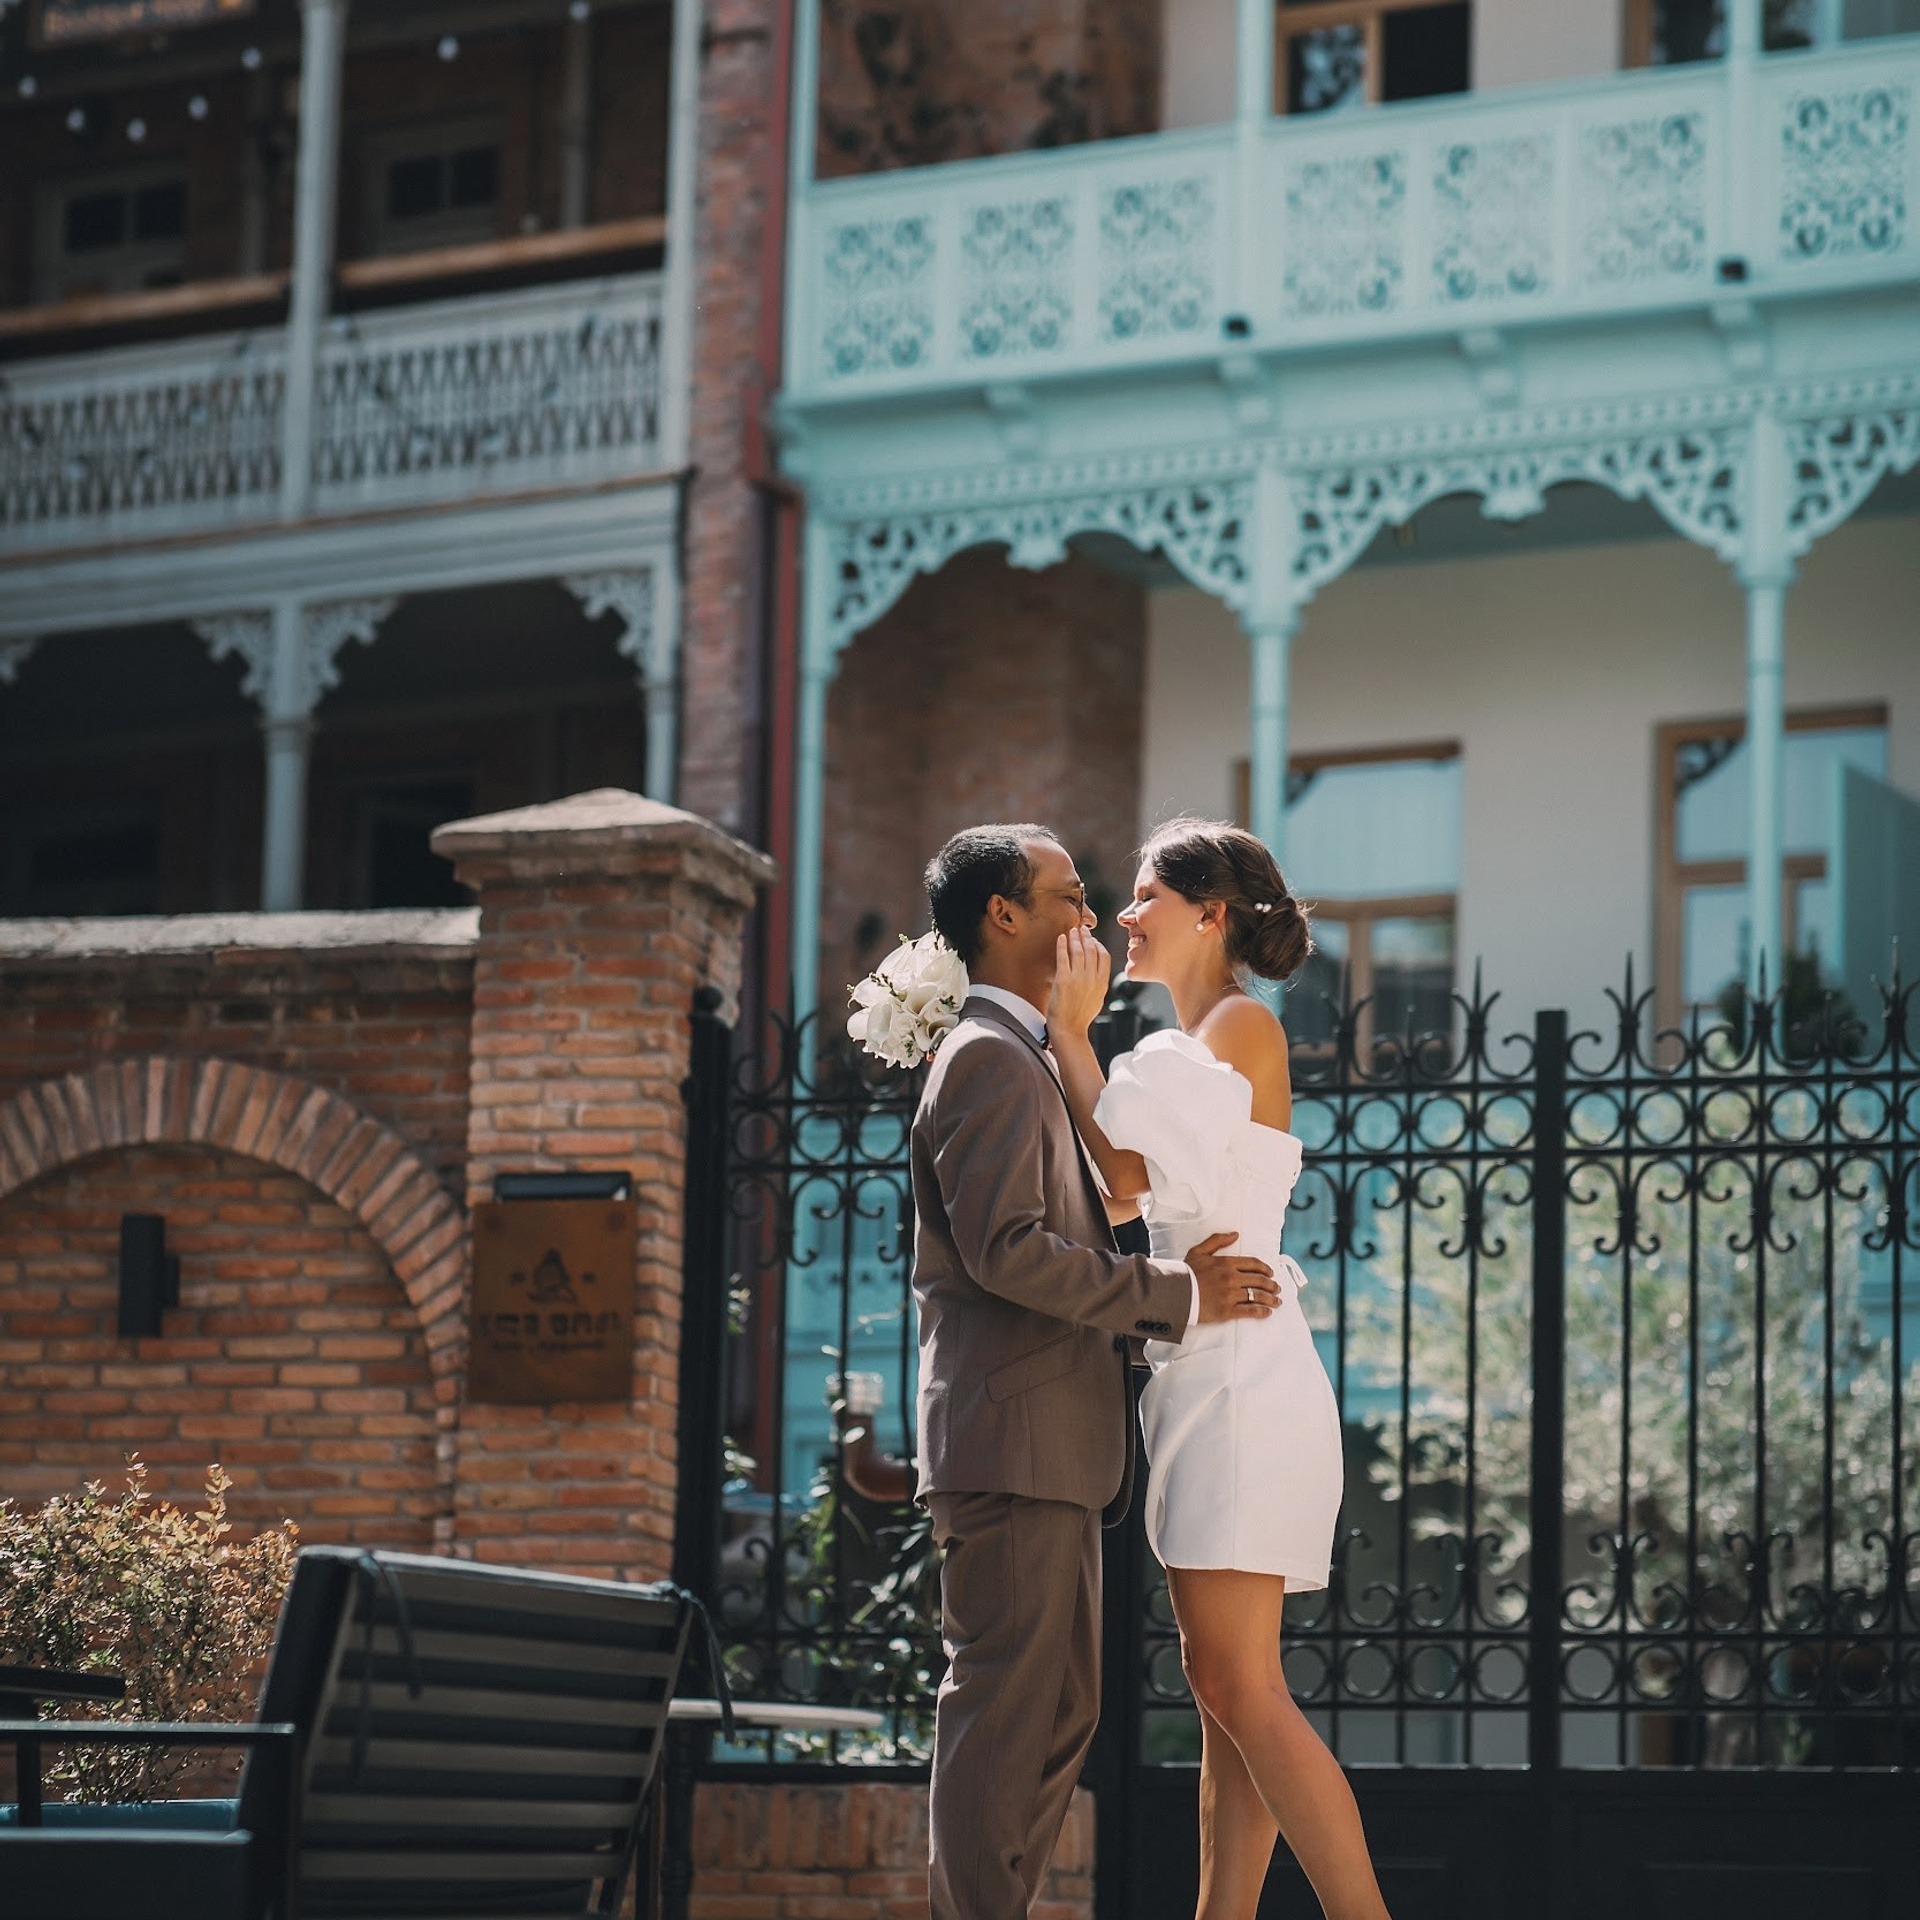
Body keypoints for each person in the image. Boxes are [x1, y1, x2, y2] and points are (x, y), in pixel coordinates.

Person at [910, 822, 1284, 1920]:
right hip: (1012, 1447)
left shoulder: (1021, 1051)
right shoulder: (986, 1056)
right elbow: (1008, 1252)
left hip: (1051, 1449)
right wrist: (1175, 1298)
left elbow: (1105, 1196)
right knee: (1007, 1720)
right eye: (1070, 896)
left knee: (1056, 1717)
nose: (1089, 917)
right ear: (1003, 917)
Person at [1046, 817, 1393, 1920]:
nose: (1124, 915)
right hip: (1209, 1367)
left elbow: (1121, 1166)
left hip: (1241, 1374)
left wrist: (1064, 1033)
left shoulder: (1236, 1024)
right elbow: (1125, 1194)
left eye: (1146, 896)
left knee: (1233, 1683)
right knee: (1226, 1697)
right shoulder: (1182, 1046)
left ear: (1212, 913)